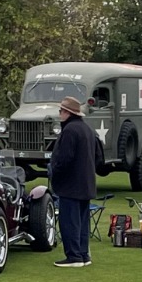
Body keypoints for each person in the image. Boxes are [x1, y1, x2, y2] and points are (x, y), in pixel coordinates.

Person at [49, 95, 99, 268]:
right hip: (86, 183)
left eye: (61, 111)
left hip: (71, 185)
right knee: (82, 222)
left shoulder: (70, 131)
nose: (59, 114)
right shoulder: (87, 130)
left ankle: (74, 256)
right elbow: (99, 157)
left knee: (69, 221)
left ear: (67, 112)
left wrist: (55, 171)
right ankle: (83, 254)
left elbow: (65, 158)